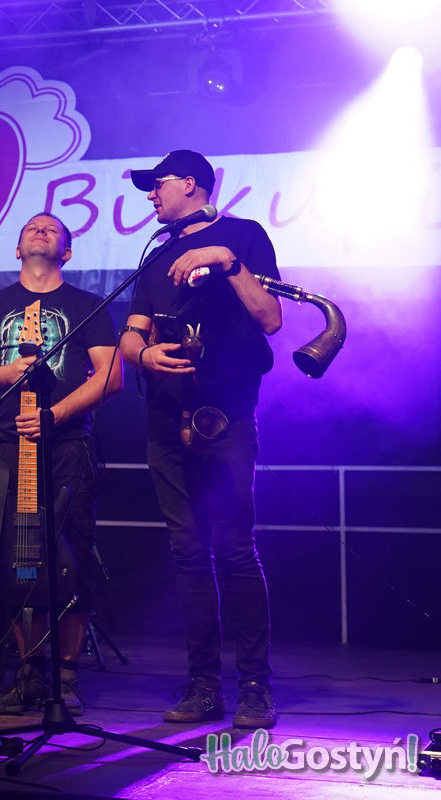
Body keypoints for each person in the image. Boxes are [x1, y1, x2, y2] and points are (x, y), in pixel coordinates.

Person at [119, 150, 282, 729]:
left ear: (190, 183)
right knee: (187, 553)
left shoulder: (243, 236)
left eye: (157, 184)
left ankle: (256, 686)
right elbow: (130, 338)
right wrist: (145, 356)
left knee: (234, 548)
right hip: (167, 419)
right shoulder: (156, 256)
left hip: (228, 413)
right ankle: (204, 684)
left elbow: (271, 319)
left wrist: (226, 260)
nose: (150, 195)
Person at [0, 213, 121, 714]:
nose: (41, 230)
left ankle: (65, 676)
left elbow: (110, 377)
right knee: (17, 563)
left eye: (52, 228)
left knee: (71, 558)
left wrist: (54, 415)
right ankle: (27, 671)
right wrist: (8, 372)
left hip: (67, 446)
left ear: (67, 252)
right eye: (31, 226)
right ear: (16, 249)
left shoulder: (87, 305)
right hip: (9, 447)